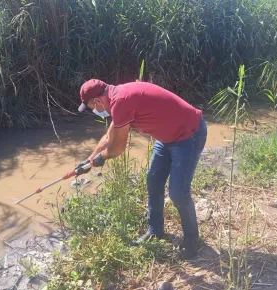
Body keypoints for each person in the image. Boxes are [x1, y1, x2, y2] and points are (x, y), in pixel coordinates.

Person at [77, 79, 207, 260]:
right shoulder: (118, 98)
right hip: (167, 138)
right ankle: (155, 230)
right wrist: (89, 159)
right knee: (153, 179)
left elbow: (117, 148)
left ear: (97, 101)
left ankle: (192, 240)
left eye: (91, 106)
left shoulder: (121, 101)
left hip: (188, 135)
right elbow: (109, 136)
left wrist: (101, 158)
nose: (94, 111)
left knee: (178, 193)